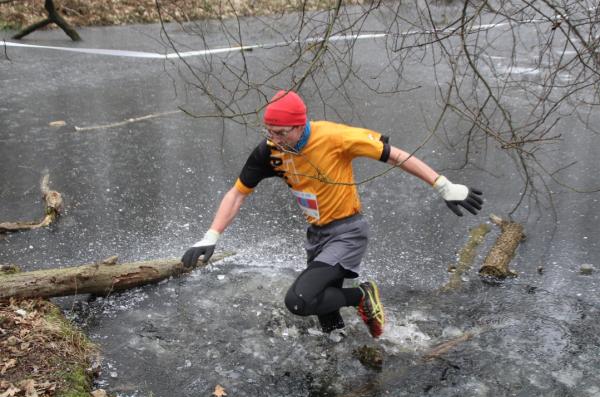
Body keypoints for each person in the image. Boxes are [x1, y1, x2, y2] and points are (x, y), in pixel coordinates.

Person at [182, 90, 483, 338]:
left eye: (281, 132)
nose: (274, 138)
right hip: (317, 237)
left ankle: (362, 296)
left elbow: (395, 155)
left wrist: (443, 185)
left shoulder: (335, 138)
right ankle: (341, 360)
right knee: (328, 325)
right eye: (269, 131)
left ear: (300, 125)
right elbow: (237, 193)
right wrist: (211, 235)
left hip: (347, 233)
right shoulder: (271, 151)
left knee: (298, 301)